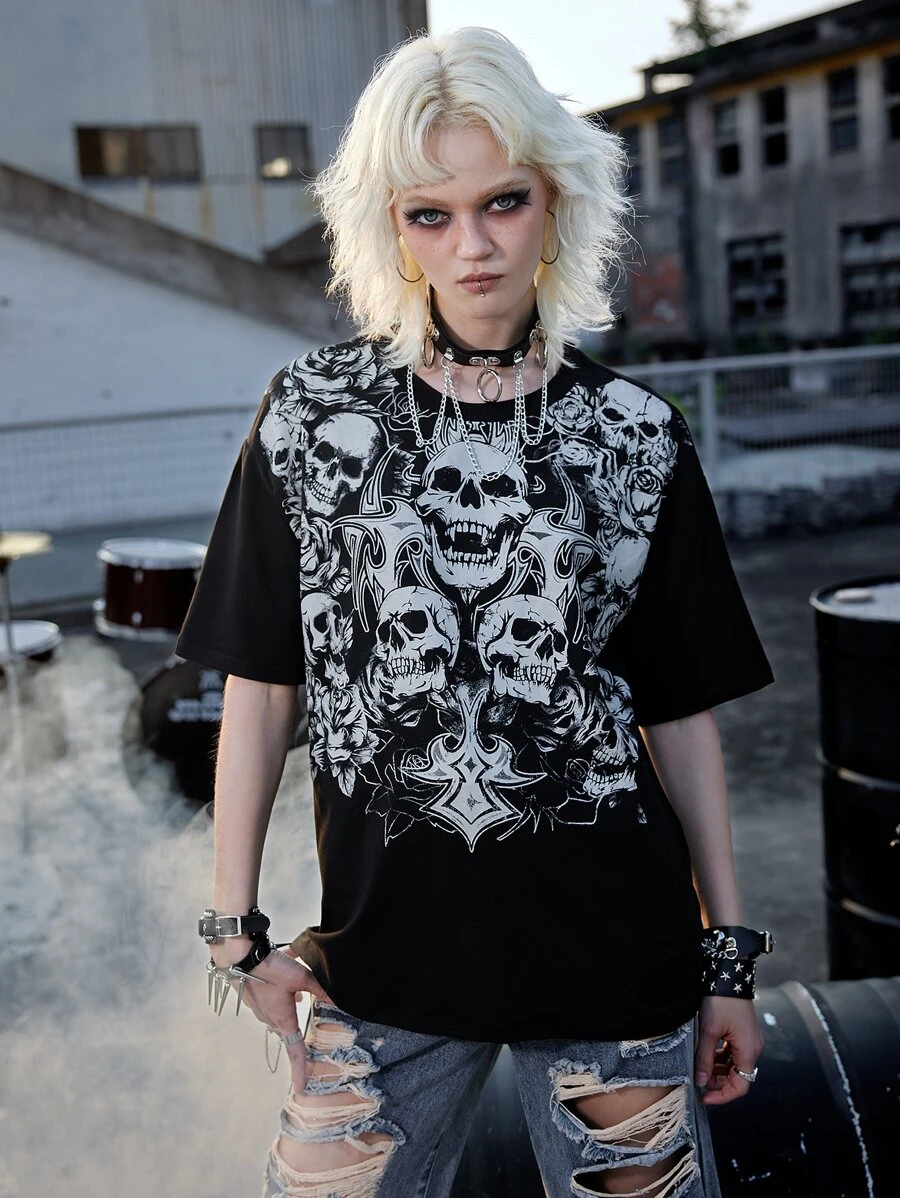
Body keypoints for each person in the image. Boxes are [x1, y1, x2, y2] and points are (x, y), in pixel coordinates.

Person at [179, 26, 776, 1198]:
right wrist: (234, 932)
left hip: (614, 965)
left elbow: (679, 713)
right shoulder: (311, 419)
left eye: (503, 200)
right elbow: (259, 684)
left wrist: (728, 960)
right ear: (388, 226)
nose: (474, 244)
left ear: (556, 200)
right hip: (378, 971)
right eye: (430, 213)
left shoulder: (637, 436)